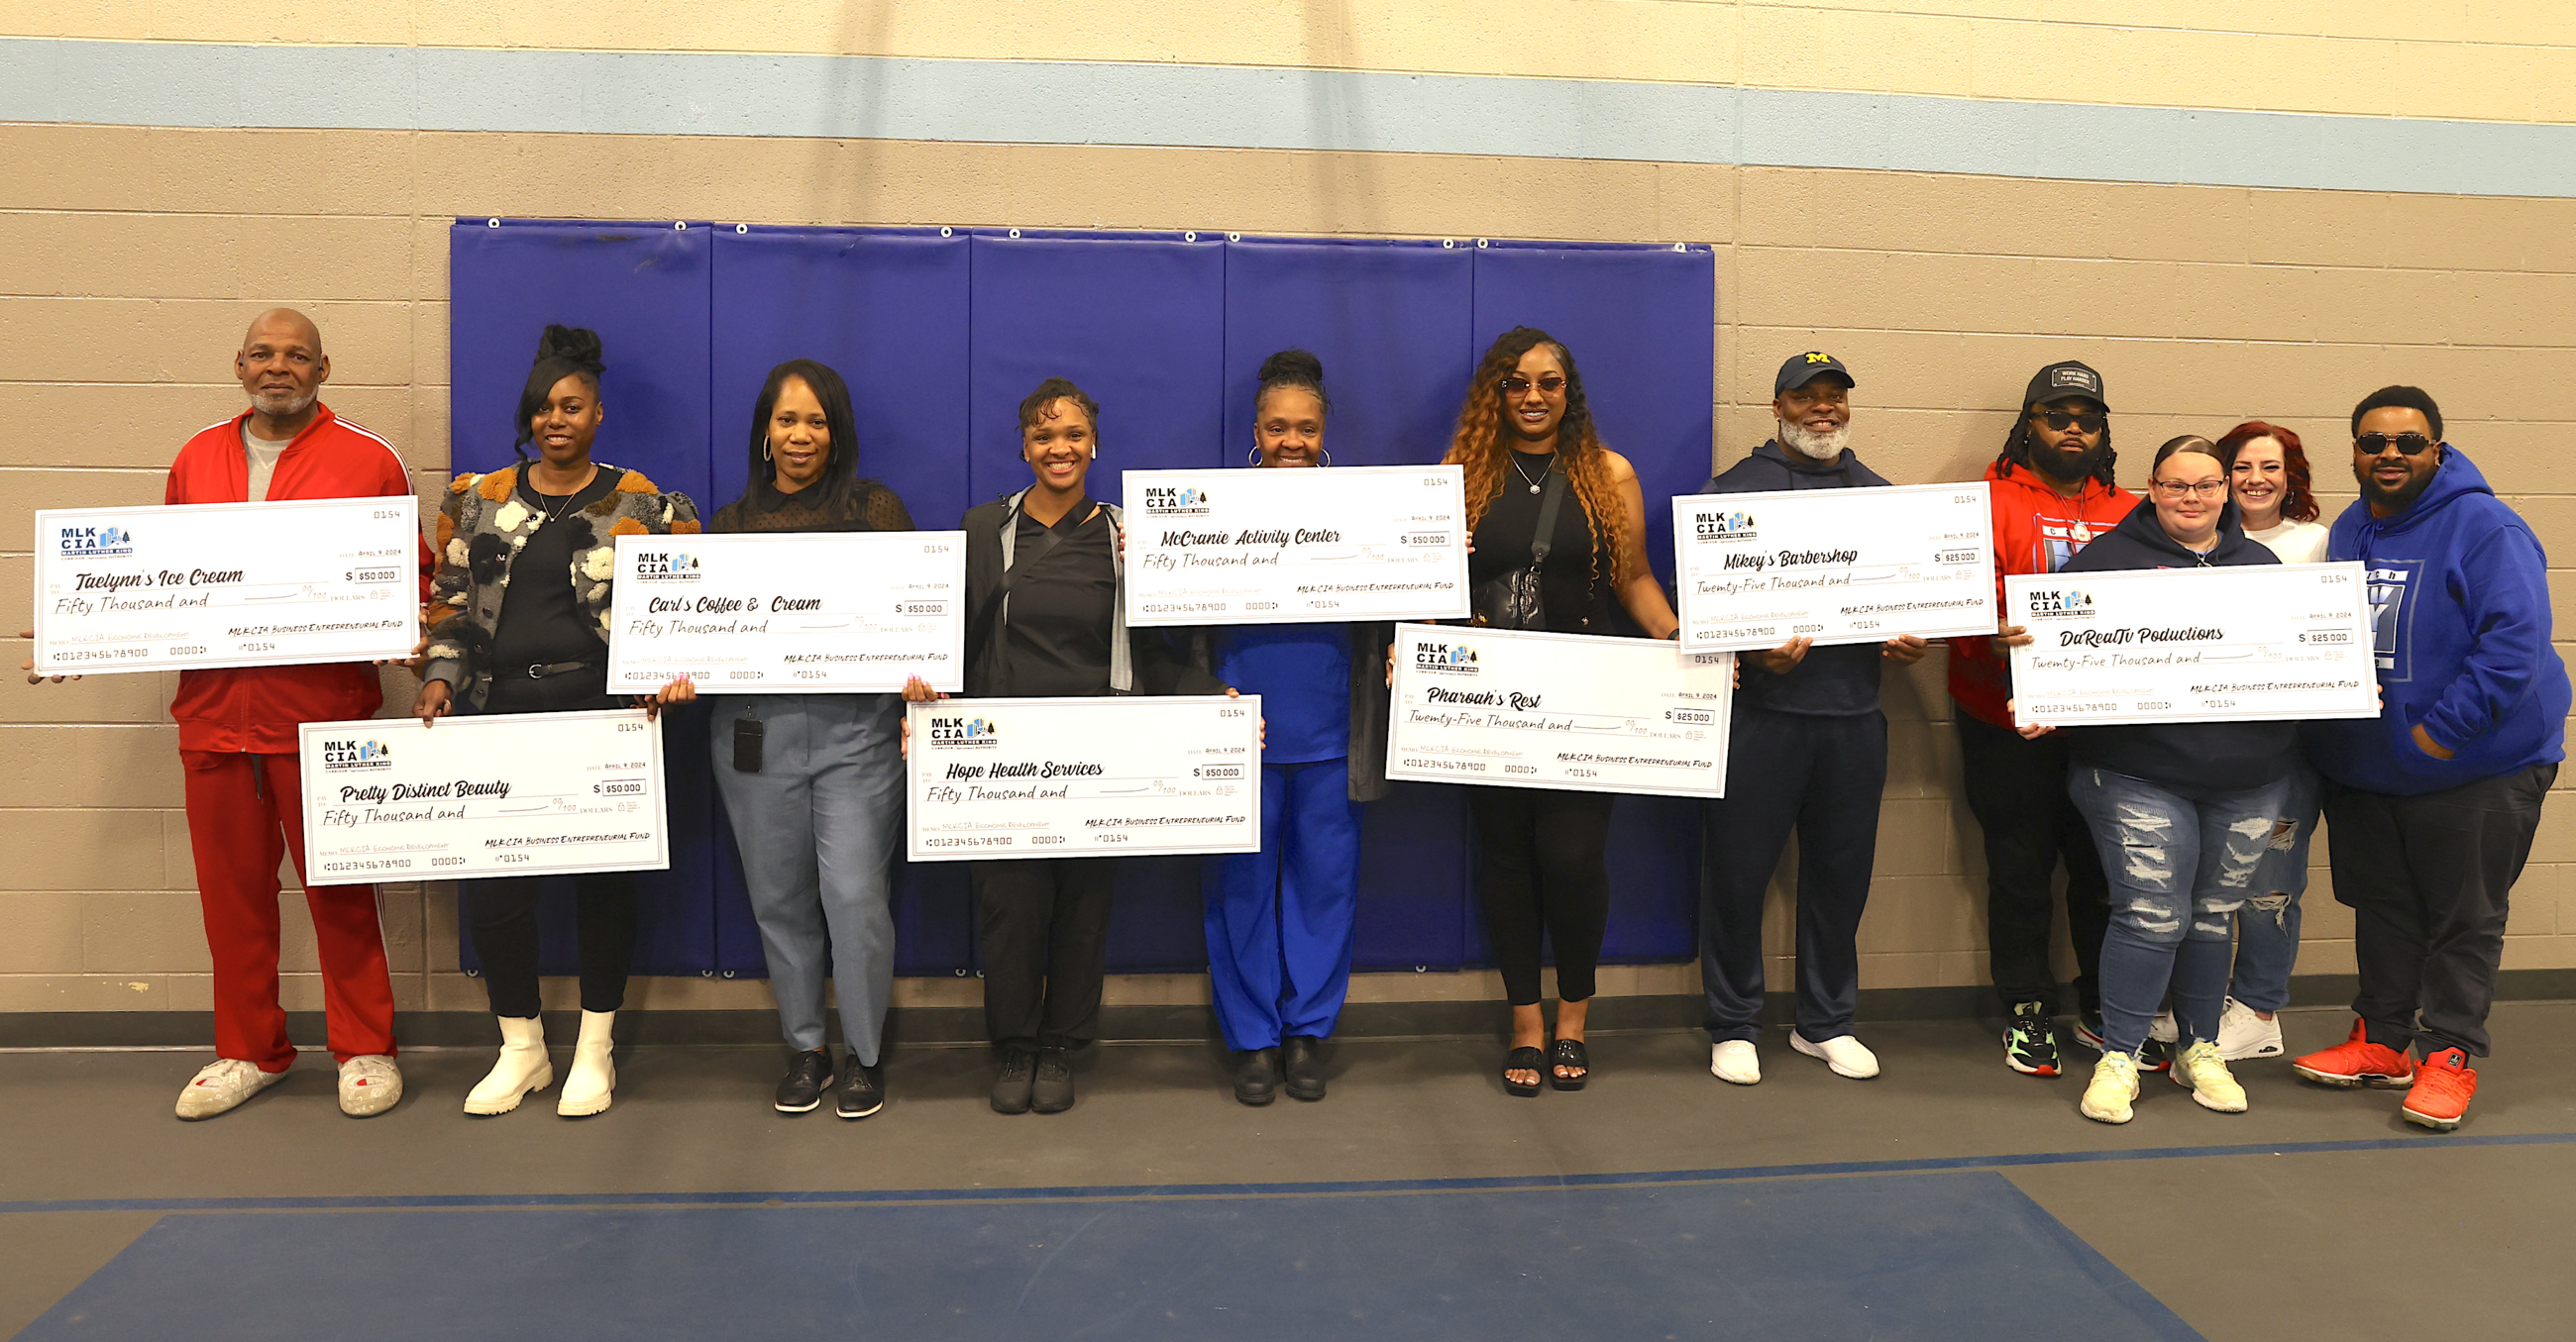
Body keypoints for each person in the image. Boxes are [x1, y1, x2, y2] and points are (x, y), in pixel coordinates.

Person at [19, 309, 431, 1120]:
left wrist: (410, 625)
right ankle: (251, 1049)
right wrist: (84, 634)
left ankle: (366, 1049)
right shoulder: (196, 457)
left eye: (297, 355)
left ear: (323, 369)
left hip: (323, 718)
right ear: (239, 365)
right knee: (231, 900)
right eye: (263, 354)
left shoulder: (369, 459)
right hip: (214, 718)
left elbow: (409, 576)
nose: (279, 366)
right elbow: (161, 585)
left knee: (341, 891)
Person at [912, 376, 1235, 1116]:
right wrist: (924, 699)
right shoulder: (982, 528)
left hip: (1100, 749)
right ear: (1023, 445)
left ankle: (1061, 1044)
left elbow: (1156, 655)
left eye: (1073, 435)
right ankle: (1015, 1044)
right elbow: (949, 639)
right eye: (1043, 435)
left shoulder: (1127, 536)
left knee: (1084, 907)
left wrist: (1205, 692)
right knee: (1011, 906)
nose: (1059, 448)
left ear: (1094, 444)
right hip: (1001, 753)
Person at [416, 325, 699, 1118]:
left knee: (603, 888)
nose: (556, 419)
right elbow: (447, 606)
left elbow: (687, 618)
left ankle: (596, 1050)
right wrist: (439, 677)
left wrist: (670, 675)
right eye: (543, 407)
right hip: (500, 713)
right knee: (498, 891)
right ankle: (523, 1049)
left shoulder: (646, 503)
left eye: (571, 406)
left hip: (602, 718)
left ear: (599, 414)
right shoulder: (478, 500)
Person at [2290, 386, 2567, 1131]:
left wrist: (2441, 731)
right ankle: (2383, 1040)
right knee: (2384, 908)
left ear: (2436, 450)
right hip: (2376, 769)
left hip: (2477, 762)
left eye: (2408, 442)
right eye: (2373, 442)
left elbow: (2514, 644)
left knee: (2463, 916)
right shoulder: (2352, 527)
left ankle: (2449, 1054)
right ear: (2353, 451)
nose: (2390, 454)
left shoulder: (2486, 526)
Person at [2008, 436, 2294, 1124]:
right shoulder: (2104, 562)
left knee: (2208, 916)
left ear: (2226, 490)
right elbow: (2064, 652)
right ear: (2152, 488)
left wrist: (2345, 685)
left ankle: (2200, 1049)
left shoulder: (2263, 566)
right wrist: (2047, 696)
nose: (2191, 498)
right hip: (2137, 771)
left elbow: (2298, 656)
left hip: (2248, 777)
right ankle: (2120, 1054)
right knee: (2151, 912)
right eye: (2175, 485)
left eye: (2205, 485)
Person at [1449, 326, 1681, 1097]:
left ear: (1567, 392)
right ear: (1497, 394)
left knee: (1575, 859)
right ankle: (1524, 1022)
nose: (1534, 396)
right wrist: (1405, 649)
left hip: (1588, 698)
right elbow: (1429, 586)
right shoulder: (1462, 473)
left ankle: (1574, 1020)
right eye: (1517, 383)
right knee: (1508, 860)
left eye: (1549, 382)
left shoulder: (1607, 474)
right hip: (1489, 702)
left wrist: (1686, 643)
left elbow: (1637, 578)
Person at [1696, 353, 1928, 1086]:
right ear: (1777, 408)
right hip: (1761, 723)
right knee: (1737, 878)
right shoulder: (1733, 493)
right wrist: (1753, 651)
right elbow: (1701, 611)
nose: (1822, 409)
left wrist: (1910, 640)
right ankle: (1733, 1024)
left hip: (1855, 720)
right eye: (1806, 398)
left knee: (1840, 878)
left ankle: (1824, 1022)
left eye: (1834, 398)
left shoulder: (1881, 498)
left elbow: (1913, 607)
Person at [705, 361, 916, 1120]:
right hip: (753, 734)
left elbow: (913, 614)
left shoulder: (875, 509)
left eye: (817, 421)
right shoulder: (727, 527)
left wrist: (921, 669)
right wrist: (671, 668)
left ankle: (863, 1052)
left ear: (838, 432)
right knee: (779, 898)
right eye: (787, 419)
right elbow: (697, 634)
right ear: (766, 430)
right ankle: (806, 1046)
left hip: (855, 731)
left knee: (857, 894)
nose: (801, 435)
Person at [1193, 351, 1394, 1105]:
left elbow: (1398, 602)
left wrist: (1439, 560)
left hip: (1331, 737)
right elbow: (1179, 624)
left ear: (1324, 432)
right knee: (1238, 889)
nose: (1291, 442)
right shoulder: (1213, 509)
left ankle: (1307, 1031)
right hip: (1238, 731)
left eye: (1305, 429)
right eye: (1277, 428)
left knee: (1325, 889)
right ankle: (1252, 1039)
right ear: (1255, 431)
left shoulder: (1366, 512)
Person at [1949, 361, 2138, 1079]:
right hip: (2003, 724)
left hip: (2102, 730)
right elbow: (1946, 606)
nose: (2072, 429)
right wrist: (1984, 628)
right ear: (2028, 423)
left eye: (2087, 418)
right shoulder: (1982, 504)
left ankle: (2101, 1006)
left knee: (2101, 872)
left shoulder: (2132, 510)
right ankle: (2027, 1008)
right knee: (2019, 869)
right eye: (2056, 415)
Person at [2147, 421, 2329, 1060]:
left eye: (2271, 467)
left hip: (2285, 746)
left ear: (2291, 475)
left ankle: (2258, 1009)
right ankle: (2199, 1006)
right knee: (2200, 886)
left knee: (2269, 882)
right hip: (2199, 746)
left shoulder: (2317, 542)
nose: (2257, 479)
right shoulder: (2188, 540)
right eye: (2243, 467)